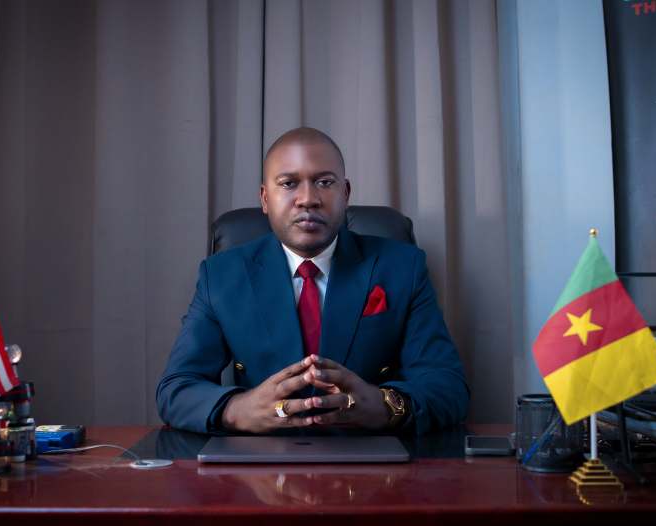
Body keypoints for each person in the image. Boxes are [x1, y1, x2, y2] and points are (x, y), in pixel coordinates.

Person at [157, 127, 469, 435]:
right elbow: (176, 389)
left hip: (366, 452)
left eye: (324, 182)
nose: (308, 199)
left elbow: (448, 387)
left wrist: (384, 406)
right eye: (289, 183)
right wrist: (239, 410)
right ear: (265, 198)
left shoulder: (403, 267)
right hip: (260, 457)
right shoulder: (220, 275)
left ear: (345, 194)